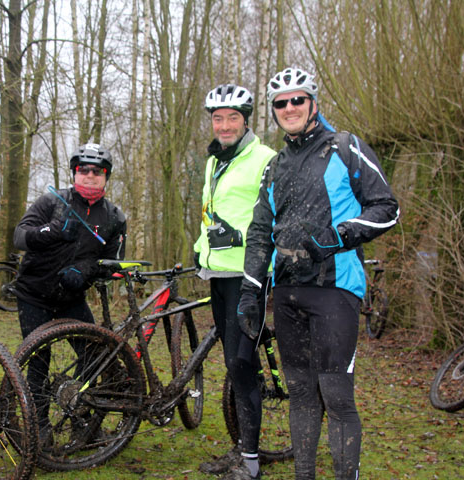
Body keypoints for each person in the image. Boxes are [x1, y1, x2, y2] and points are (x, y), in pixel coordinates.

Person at [237, 67, 399, 480]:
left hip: (335, 291)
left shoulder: (344, 148)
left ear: (312, 102)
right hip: (289, 294)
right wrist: (250, 293)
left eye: (297, 99)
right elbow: (259, 233)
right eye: (280, 102)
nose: (289, 107)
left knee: (337, 397)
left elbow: (386, 208)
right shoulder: (275, 167)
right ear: (273, 111)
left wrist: (336, 236)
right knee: (302, 396)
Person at [12, 143, 126, 438]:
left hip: (71, 297)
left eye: (97, 171)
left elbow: (112, 263)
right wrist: (52, 231)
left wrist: (86, 270)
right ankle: (40, 428)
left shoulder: (114, 217)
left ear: (106, 176)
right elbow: (20, 236)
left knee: (91, 357)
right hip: (34, 293)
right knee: (38, 360)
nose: (89, 176)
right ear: (75, 172)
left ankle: (81, 421)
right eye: (83, 170)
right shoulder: (52, 201)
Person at [193, 84, 276, 480]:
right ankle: (242, 449)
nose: (224, 125)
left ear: (246, 121)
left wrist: (240, 238)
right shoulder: (214, 162)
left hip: (249, 276)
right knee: (232, 364)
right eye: (217, 118)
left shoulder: (266, 159)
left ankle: (251, 464)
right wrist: (199, 248)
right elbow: (209, 213)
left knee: (241, 364)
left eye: (232, 118)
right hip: (218, 274)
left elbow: (276, 217)